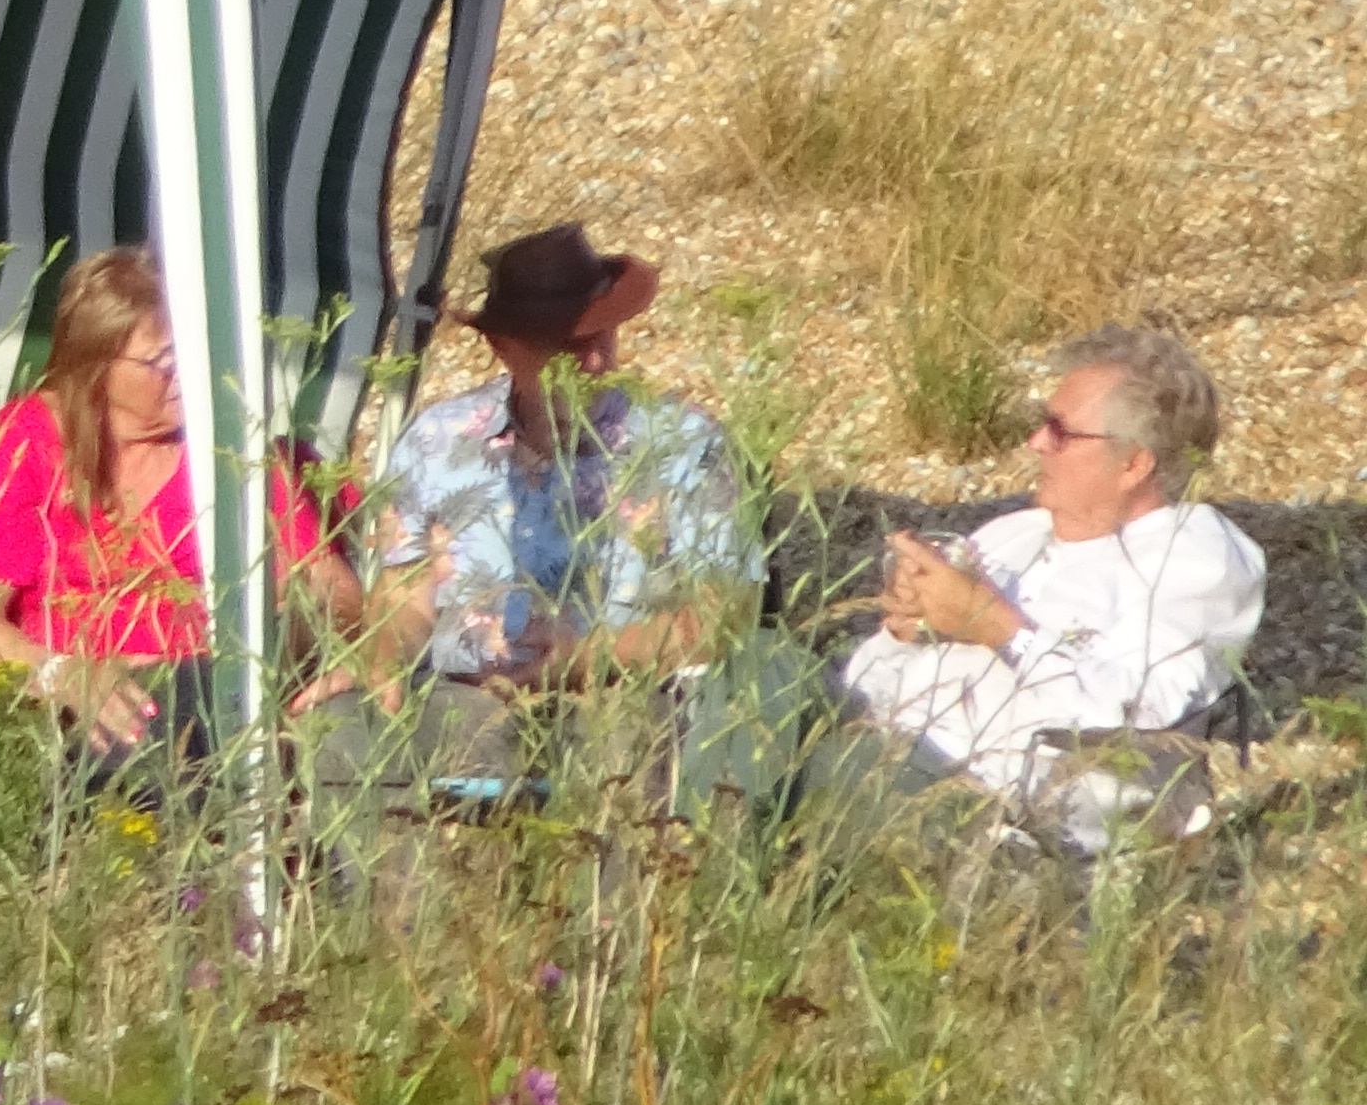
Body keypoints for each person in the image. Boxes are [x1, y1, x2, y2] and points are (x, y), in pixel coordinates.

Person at [342, 222, 761, 769]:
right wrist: (382, 660)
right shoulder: (438, 439)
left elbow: (722, 618)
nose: (596, 363)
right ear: (503, 347)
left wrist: (584, 658)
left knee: (621, 749)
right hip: (459, 701)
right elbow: (403, 595)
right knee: (342, 732)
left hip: (624, 698)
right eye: (567, 347)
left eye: (602, 337)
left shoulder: (683, 442)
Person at [834, 321, 1262, 847]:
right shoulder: (1015, 534)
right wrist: (905, 631)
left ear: (1133, 463)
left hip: (987, 801)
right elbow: (862, 681)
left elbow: (1131, 710)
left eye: (1059, 431)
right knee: (758, 671)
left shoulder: (1192, 558)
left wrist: (996, 628)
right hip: (881, 742)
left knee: (793, 746)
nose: (1035, 443)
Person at [0, 247, 352, 754]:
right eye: (163, 361)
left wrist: (286, 632)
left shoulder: (232, 444)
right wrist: (60, 673)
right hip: (50, 703)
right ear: (96, 364)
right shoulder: (29, 439)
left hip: (198, 696)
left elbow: (333, 591)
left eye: (197, 355)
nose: (188, 374)